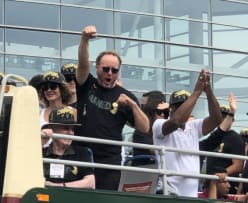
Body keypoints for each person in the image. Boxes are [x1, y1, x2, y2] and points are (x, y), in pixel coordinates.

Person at [75, 25, 149, 190]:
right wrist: (84, 40)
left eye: (114, 70)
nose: (110, 73)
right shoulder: (88, 84)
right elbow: (82, 65)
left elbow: (144, 128)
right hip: (82, 154)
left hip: (109, 160)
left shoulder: (126, 96)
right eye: (106, 69)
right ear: (97, 68)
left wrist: (131, 105)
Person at [152, 69, 223, 197]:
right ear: (171, 109)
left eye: (186, 105)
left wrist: (208, 92)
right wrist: (196, 92)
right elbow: (176, 121)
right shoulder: (159, 124)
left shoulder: (193, 126)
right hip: (168, 193)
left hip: (190, 195)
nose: (184, 108)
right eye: (179, 105)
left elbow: (217, 120)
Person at [42, 107, 95, 189]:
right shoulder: (41, 152)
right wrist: (41, 142)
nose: (70, 133)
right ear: (52, 128)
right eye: (65, 128)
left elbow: (90, 183)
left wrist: (60, 186)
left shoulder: (83, 152)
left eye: (72, 129)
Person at [205, 93, 244, 194]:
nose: (223, 119)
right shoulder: (213, 136)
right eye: (221, 116)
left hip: (225, 187)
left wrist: (222, 173)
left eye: (226, 116)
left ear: (232, 120)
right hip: (209, 185)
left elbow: (238, 165)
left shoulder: (235, 138)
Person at [132, 90, 166, 165]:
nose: (163, 115)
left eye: (165, 112)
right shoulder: (141, 130)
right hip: (145, 171)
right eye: (159, 112)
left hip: (160, 170)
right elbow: (153, 150)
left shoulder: (166, 128)